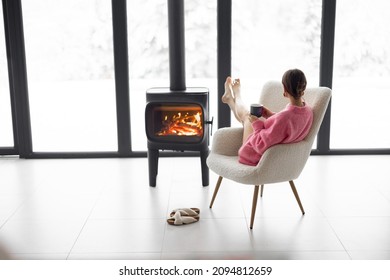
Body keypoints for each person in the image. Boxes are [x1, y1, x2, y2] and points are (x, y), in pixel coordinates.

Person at [222, 69, 313, 166]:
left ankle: (237, 94)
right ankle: (230, 100)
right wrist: (270, 115)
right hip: (281, 159)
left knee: (247, 116)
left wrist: (256, 123)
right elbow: (287, 127)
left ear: (284, 89)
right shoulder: (307, 111)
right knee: (247, 119)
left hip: (255, 157)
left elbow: (260, 145)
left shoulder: (284, 117)